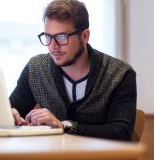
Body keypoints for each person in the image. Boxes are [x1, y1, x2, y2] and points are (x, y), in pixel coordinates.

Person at [9, 0, 137, 141]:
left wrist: (64, 126)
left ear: (85, 36)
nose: (53, 46)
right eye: (48, 37)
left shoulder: (119, 74)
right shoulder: (36, 68)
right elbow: (13, 108)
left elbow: (121, 132)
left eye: (61, 37)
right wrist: (9, 114)